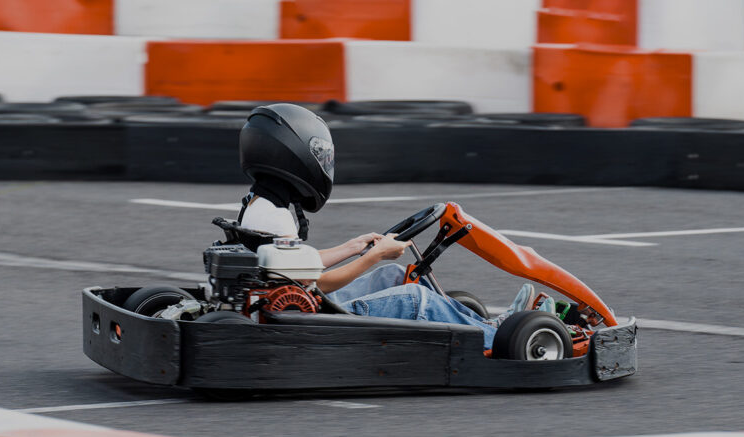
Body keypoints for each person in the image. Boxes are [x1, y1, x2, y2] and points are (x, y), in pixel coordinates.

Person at [236, 103, 552, 349]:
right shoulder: (273, 216)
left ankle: (485, 326)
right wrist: (373, 256)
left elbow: (295, 271)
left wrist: (353, 247)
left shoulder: (261, 204)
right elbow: (316, 286)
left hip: (292, 311)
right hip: (308, 319)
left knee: (394, 276)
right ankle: (501, 336)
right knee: (416, 298)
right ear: (291, 154)